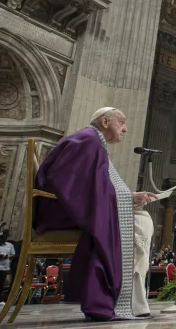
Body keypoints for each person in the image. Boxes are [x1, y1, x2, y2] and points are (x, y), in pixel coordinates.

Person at [33, 107, 158, 320]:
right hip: (61, 212)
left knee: (141, 218)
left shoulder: (91, 141)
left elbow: (92, 187)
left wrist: (129, 196)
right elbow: (69, 184)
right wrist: (127, 199)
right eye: (122, 122)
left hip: (70, 207)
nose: (126, 129)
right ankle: (118, 299)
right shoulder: (87, 141)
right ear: (106, 122)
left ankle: (134, 299)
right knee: (139, 222)